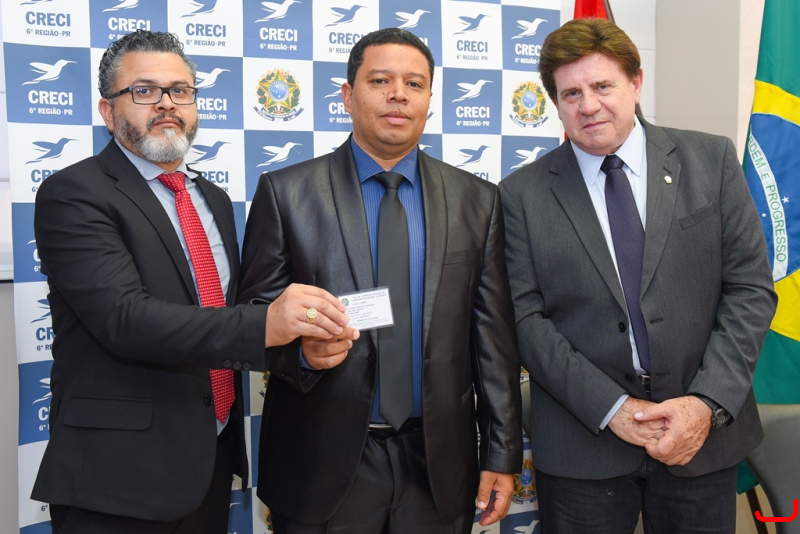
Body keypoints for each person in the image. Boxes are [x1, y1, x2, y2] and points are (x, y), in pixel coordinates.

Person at [31, 29, 347, 534]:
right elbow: (125, 320)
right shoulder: (73, 193)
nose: (166, 104)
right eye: (144, 91)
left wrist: (299, 349)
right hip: (116, 479)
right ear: (108, 111)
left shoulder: (213, 200)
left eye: (180, 90)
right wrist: (268, 324)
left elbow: (224, 320)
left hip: (209, 463)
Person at [238, 27, 522, 534]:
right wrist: (301, 353)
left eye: (414, 84)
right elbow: (251, 322)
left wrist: (501, 453)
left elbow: (493, 343)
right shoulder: (286, 194)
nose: (398, 94)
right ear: (348, 96)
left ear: (430, 100)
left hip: (438, 466)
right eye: (380, 80)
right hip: (322, 466)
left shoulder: (478, 201)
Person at [499, 17, 777, 534]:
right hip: (584, 447)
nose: (588, 105)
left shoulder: (711, 160)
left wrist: (705, 404)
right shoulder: (520, 195)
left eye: (603, 86)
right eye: (571, 93)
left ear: (636, 83)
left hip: (700, 438)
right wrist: (615, 409)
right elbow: (526, 320)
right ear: (555, 103)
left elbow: (750, 291)